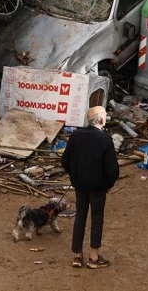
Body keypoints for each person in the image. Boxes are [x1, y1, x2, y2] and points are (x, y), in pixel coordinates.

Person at [61, 106, 119, 269]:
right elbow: (112, 169)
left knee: (80, 216)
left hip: (80, 184)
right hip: (98, 187)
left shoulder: (76, 136)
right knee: (97, 218)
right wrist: (108, 185)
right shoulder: (105, 140)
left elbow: (65, 160)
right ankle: (94, 256)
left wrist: (74, 176)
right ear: (101, 120)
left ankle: (77, 255)